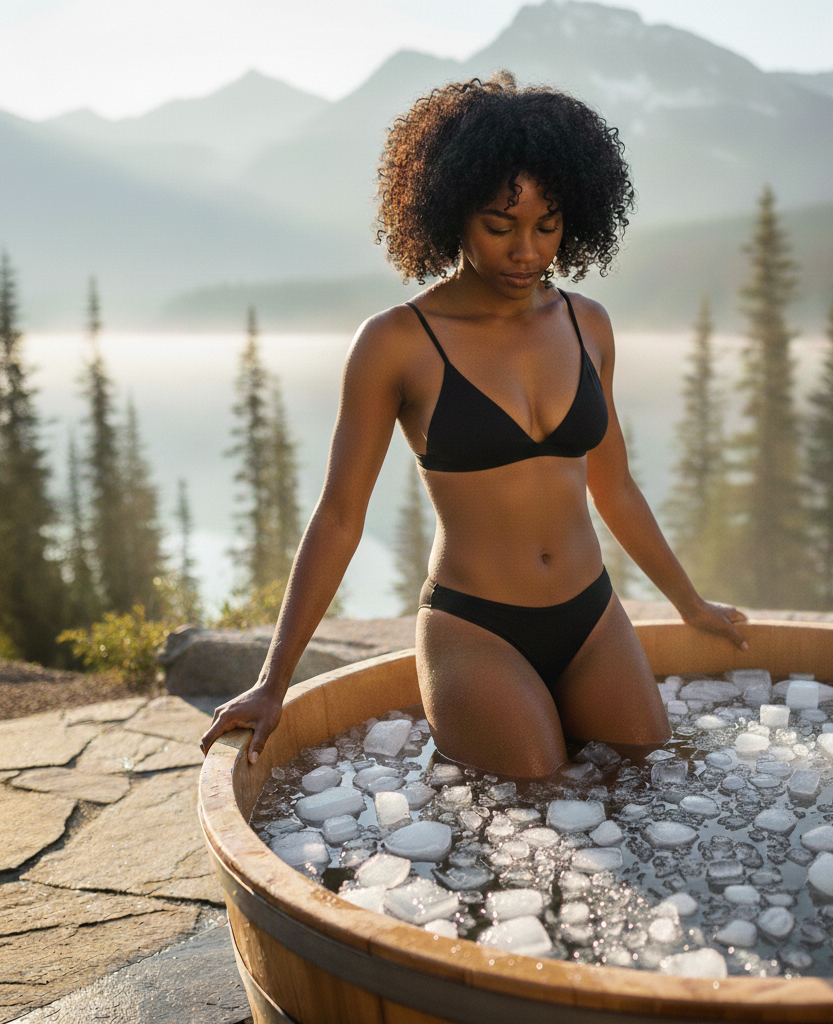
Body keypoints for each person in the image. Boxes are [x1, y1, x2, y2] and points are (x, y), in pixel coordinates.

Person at [200, 73, 748, 778]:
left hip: (591, 615)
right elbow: (339, 517)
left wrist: (688, 602)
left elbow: (615, 489)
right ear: (451, 212)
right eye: (500, 226)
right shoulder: (396, 343)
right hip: (476, 627)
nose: (526, 251)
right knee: (536, 795)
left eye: (546, 226)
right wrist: (274, 680)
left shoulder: (588, 326)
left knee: (649, 761)